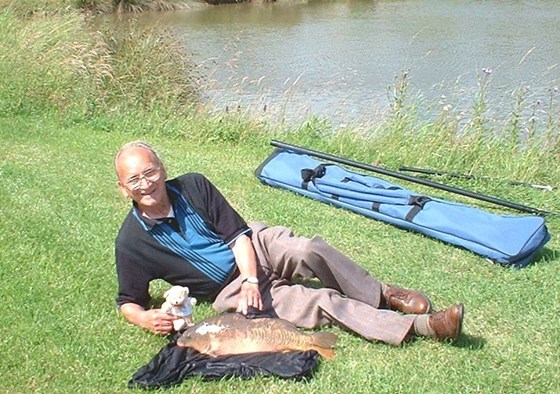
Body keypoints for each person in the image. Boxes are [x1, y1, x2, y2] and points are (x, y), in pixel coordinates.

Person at [114, 141, 464, 346]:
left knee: (308, 250)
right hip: (228, 290)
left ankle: (383, 294)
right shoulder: (131, 243)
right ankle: (424, 327)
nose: (146, 184)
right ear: (123, 188)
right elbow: (128, 301)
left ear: (162, 168)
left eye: (151, 172)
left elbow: (238, 236)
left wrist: (253, 277)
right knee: (320, 302)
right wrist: (145, 318)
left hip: (254, 245)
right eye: (135, 180)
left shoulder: (193, 185)